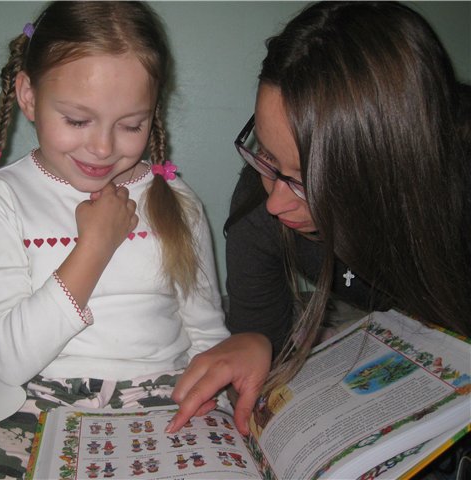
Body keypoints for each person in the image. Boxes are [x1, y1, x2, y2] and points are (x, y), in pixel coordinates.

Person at [0, 2, 228, 476]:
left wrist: (218, 405)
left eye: (131, 125)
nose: (103, 148)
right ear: (28, 96)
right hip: (36, 399)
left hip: (164, 397)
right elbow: (6, 359)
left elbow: (208, 336)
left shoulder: (178, 202)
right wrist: (94, 248)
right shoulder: (2, 196)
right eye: (77, 120)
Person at [168, 1, 471, 436]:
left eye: (309, 179)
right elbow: (257, 334)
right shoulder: (261, 204)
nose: (275, 203)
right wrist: (255, 343)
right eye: (267, 153)